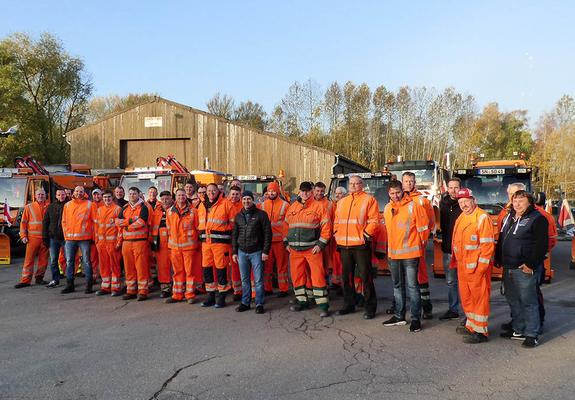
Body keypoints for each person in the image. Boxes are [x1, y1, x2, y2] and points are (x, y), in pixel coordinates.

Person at [498, 183, 556, 329]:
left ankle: (534, 329)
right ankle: (518, 326)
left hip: (527, 266)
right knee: (514, 300)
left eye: (519, 197)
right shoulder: (506, 215)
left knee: (530, 300)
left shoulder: (540, 217)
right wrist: (499, 258)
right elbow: (502, 238)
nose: (516, 201)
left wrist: (532, 262)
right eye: (512, 197)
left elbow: (544, 243)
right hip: (509, 266)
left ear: (529, 199)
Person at [382, 180, 429, 332]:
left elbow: (423, 230)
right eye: (392, 193)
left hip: (411, 254)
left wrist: (420, 249)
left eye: (397, 192)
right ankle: (399, 316)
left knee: (413, 287)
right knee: (397, 286)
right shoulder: (388, 208)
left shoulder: (413, 206)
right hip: (393, 255)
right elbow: (388, 232)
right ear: (388, 193)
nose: (395, 196)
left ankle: (416, 319)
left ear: (402, 191)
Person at [452, 188, 495, 344]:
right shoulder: (461, 217)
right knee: (467, 298)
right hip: (464, 267)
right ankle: (471, 325)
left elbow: (487, 247)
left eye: (466, 201)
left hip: (477, 268)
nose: (464, 205)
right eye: (461, 202)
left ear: (473, 200)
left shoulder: (482, 217)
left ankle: (481, 331)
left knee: (480, 300)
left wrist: (481, 269)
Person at [333, 176, 380, 319]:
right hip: (344, 245)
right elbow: (336, 221)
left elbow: (374, 221)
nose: (353, 186)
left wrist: (365, 235)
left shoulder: (369, 200)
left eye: (356, 183)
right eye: (351, 183)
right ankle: (349, 305)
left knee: (366, 277)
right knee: (346, 277)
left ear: (362, 185)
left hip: (360, 245)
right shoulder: (342, 202)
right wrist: (336, 233)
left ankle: (370, 307)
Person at [285, 181, 331, 317]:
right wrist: (286, 243)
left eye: (307, 191)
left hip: (312, 249)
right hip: (294, 251)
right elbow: (285, 226)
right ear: (299, 192)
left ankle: (323, 306)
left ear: (311, 192)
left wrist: (320, 245)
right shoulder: (292, 207)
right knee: (297, 277)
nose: (305, 194)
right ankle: (302, 301)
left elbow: (326, 228)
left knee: (318, 277)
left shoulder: (319, 207)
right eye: (302, 191)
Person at [232, 190, 272, 313]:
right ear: (242, 200)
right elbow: (235, 235)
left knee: (258, 280)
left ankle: (259, 304)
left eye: (248, 199)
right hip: (242, 252)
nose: (246, 201)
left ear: (252, 200)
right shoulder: (238, 216)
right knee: (244, 280)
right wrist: (235, 252)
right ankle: (245, 302)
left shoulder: (261, 215)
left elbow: (267, 234)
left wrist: (265, 251)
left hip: (257, 252)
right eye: (244, 199)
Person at [401, 172, 434, 319]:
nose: (408, 183)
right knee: (401, 278)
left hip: (417, 246)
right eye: (406, 181)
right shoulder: (397, 200)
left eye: (411, 181)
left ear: (415, 182)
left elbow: (430, 222)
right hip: (401, 246)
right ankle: (399, 306)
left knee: (420, 277)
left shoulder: (421, 200)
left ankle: (426, 307)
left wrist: (423, 241)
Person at [198, 183, 235, 308]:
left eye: (213, 190)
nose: (211, 193)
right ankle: (211, 296)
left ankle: (222, 297)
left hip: (220, 244)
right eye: (208, 191)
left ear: (218, 191)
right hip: (206, 244)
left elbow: (233, 224)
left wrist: (222, 230)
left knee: (221, 270)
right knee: (207, 270)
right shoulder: (202, 205)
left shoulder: (226, 204)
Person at [165, 189, 201, 304]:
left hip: (189, 248)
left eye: (183, 195)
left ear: (186, 197)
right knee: (177, 272)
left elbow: (198, 229)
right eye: (179, 195)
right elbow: (169, 229)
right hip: (175, 248)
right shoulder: (169, 211)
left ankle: (190, 295)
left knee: (190, 272)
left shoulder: (193, 211)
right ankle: (177, 294)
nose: (181, 197)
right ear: (175, 197)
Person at [116, 187, 151, 301]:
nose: (132, 195)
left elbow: (141, 222)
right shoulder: (125, 208)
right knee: (128, 267)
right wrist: (130, 221)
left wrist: (126, 226)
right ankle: (130, 290)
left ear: (138, 195)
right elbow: (117, 222)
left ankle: (142, 291)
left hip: (140, 242)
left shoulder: (143, 207)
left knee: (141, 267)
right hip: (127, 243)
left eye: (134, 194)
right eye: (130, 193)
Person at [61, 186, 97, 294]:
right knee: (69, 262)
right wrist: (66, 235)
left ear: (84, 193)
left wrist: (94, 237)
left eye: (81, 191)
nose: (79, 193)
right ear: (73, 192)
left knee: (86, 261)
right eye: (77, 191)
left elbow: (95, 222)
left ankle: (89, 285)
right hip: (70, 239)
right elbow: (64, 221)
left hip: (84, 238)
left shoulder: (90, 205)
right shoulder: (67, 205)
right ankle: (69, 285)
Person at [438, 178, 463, 320]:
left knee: (465, 282)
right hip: (448, 248)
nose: (454, 190)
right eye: (451, 187)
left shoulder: (465, 203)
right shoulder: (443, 203)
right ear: (447, 189)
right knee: (451, 281)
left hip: (463, 249)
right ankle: (453, 310)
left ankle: (468, 312)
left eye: (456, 187)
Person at [259, 181, 290, 297]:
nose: (271, 193)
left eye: (273, 191)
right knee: (267, 266)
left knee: (282, 266)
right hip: (267, 242)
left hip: (280, 242)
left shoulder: (285, 205)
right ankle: (268, 288)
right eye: (269, 191)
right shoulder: (262, 205)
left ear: (277, 191)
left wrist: (287, 240)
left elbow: (288, 224)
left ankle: (284, 289)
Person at [14, 188, 49, 288]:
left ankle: (39, 278)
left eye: (42, 194)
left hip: (45, 238)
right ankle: (25, 280)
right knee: (29, 260)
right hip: (32, 238)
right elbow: (23, 223)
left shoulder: (48, 206)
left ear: (45, 196)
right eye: (39, 195)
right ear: (35, 196)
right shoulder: (29, 207)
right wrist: (23, 236)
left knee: (43, 260)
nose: (40, 196)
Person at [95, 190, 123, 296]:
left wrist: (119, 242)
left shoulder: (117, 209)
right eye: (105, 197)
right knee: (104, 266)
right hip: (101, 244)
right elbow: (96, 227)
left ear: (113, 198)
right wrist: (97, 241)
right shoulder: (99, 210)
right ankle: (105, 287)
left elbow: (120, 228)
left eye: (109, 197)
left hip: (112, 243)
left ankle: (115, 288)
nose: (107, 199)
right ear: (103, 198)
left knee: (114, 266)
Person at [42, 189, 68, 288]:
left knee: (69, 260)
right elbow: (45, 222)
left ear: (65, 195)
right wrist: (45, 237)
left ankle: (70, 280)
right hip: (53, 238)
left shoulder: (68, 205)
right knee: (53, 260)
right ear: (56, 196)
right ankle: (55, 280)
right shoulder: (51, 207)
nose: (61, 196)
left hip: (66, 238)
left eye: (63, 194)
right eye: (59, 194)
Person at [227, 186, 244, 300]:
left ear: (240, 194)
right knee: (234, 267)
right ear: (229, 194)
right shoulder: (225, 205)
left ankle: (246, 290)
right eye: (233, 194)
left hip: (242, 240)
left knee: (244, 267)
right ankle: (237, 291)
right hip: (229, 240)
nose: (234, 196)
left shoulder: (244, 205)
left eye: (237, 194)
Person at [330, 186, 348, 290]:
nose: (337, 195)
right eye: (336, 193)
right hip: (334, 238)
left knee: (343, 262)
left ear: (345, 195)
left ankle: (343, 284)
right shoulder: (332, 205)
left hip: (344, 238)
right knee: (335, 261)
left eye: (340, 193)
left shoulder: (346, 205)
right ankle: (336, 281)